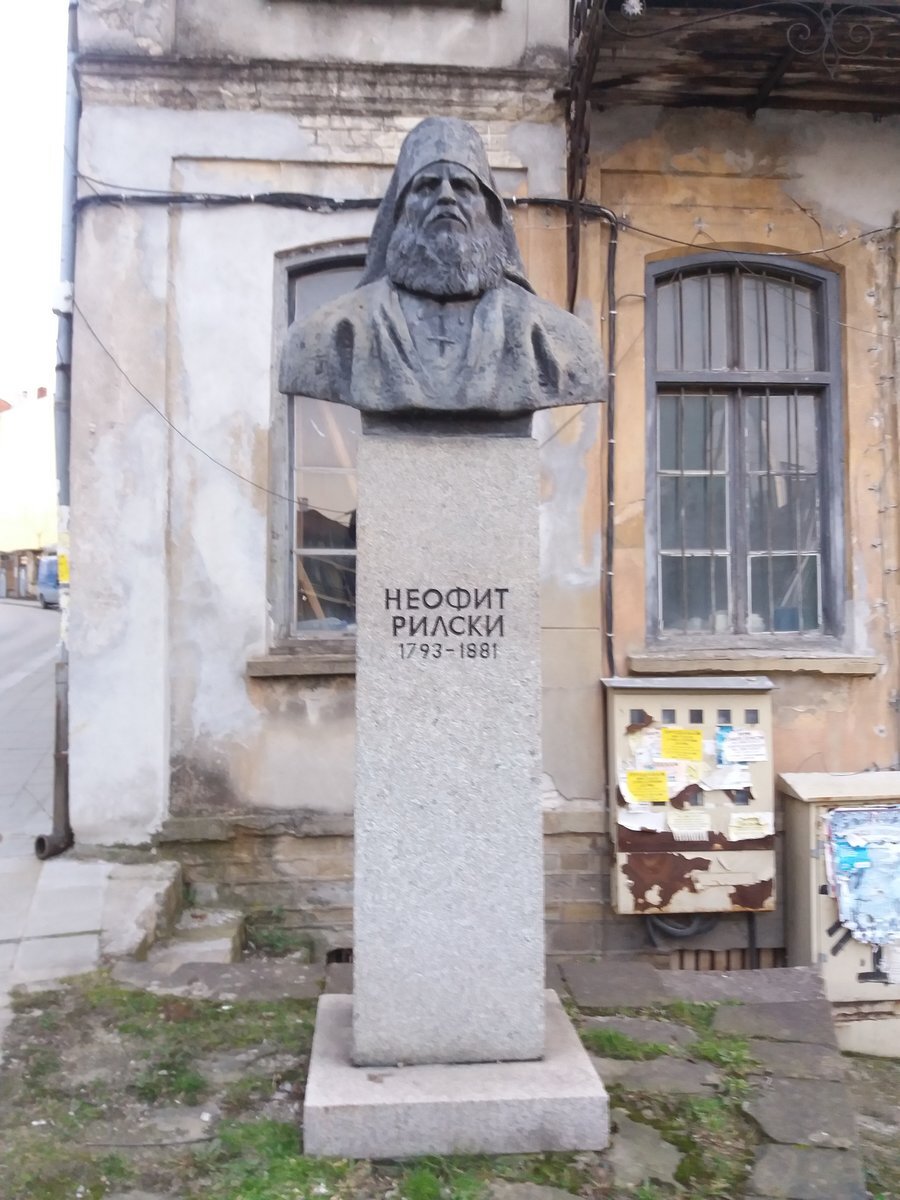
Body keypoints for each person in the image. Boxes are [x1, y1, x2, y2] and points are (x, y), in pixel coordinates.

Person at [279, 116, 606, 418]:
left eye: (463, 186)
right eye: (427, 186)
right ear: (400, 212)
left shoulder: (558, 338)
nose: (446, 197)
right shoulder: (332, 333)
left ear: (490, 210)